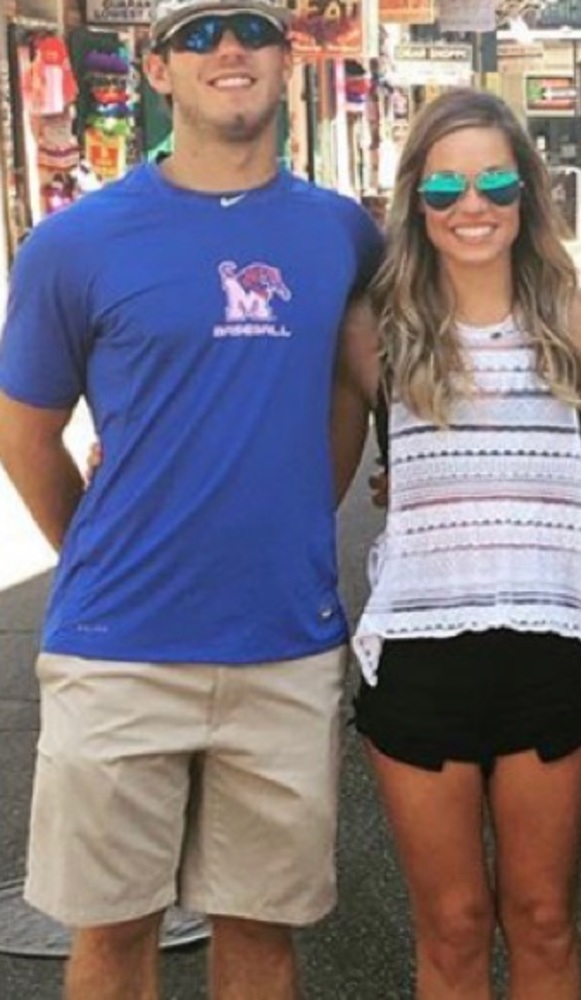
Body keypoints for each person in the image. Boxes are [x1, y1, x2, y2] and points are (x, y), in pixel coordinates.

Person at [0, 0, 382, 997]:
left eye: (252, 29)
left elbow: (354, 388)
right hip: (119, 648)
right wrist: (97, 546)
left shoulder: (341, 233)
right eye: (200, 33)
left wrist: (303, 511)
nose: (230, 49)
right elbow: (24, 433)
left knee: (260, 934)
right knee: (114, 935)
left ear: (289, 61)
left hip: (284, 646)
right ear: (158, 70)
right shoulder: (73, 244)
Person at [334, 87, 581, 998]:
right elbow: (308, 483)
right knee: (453, 929)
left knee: (543, 921)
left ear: (529, 193)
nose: (473, 206)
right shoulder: (373, 336)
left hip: (550, 645)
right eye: (446, 187)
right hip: (418, 658)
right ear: (413, 201)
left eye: (496, 181)